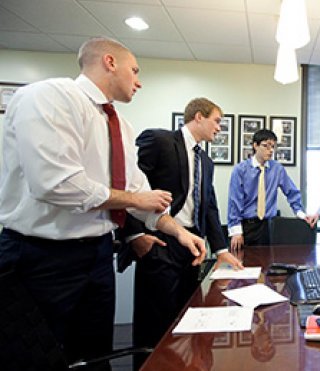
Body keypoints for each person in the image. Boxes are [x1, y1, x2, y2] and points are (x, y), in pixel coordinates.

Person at [0, 37, 206, 368]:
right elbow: (57, 185)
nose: (139, 81)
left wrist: (178, 231)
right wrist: (137, 198)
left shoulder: (120, 125)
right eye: (135, 71)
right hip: (41, 257)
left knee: (96, 355)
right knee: (36, 355)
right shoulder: (49, 96)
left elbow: (141, 194)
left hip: (96, 255)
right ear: (110, 62)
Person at [121, 97, 243, 368]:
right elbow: (128, 187)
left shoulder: (206, 160)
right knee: (156, 323)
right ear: (198, 117)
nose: (220, 128)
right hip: (159, 239)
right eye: (217, 121)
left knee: (185, 318)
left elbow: (210, 206)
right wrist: (135, 236)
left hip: (191, 244)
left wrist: (221, 250)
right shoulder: (160, 141)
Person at [228, 129, 311, 250]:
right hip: (246, 226)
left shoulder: (277, 169)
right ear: (255, 146)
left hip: (269, 227)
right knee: (245, 265)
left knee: (267, 265)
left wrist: (300, 213)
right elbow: (235, 201)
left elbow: (291, 192)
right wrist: (236, 231)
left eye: (273, 146)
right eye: (266, 146)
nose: (271, 150)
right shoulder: (240, 170)